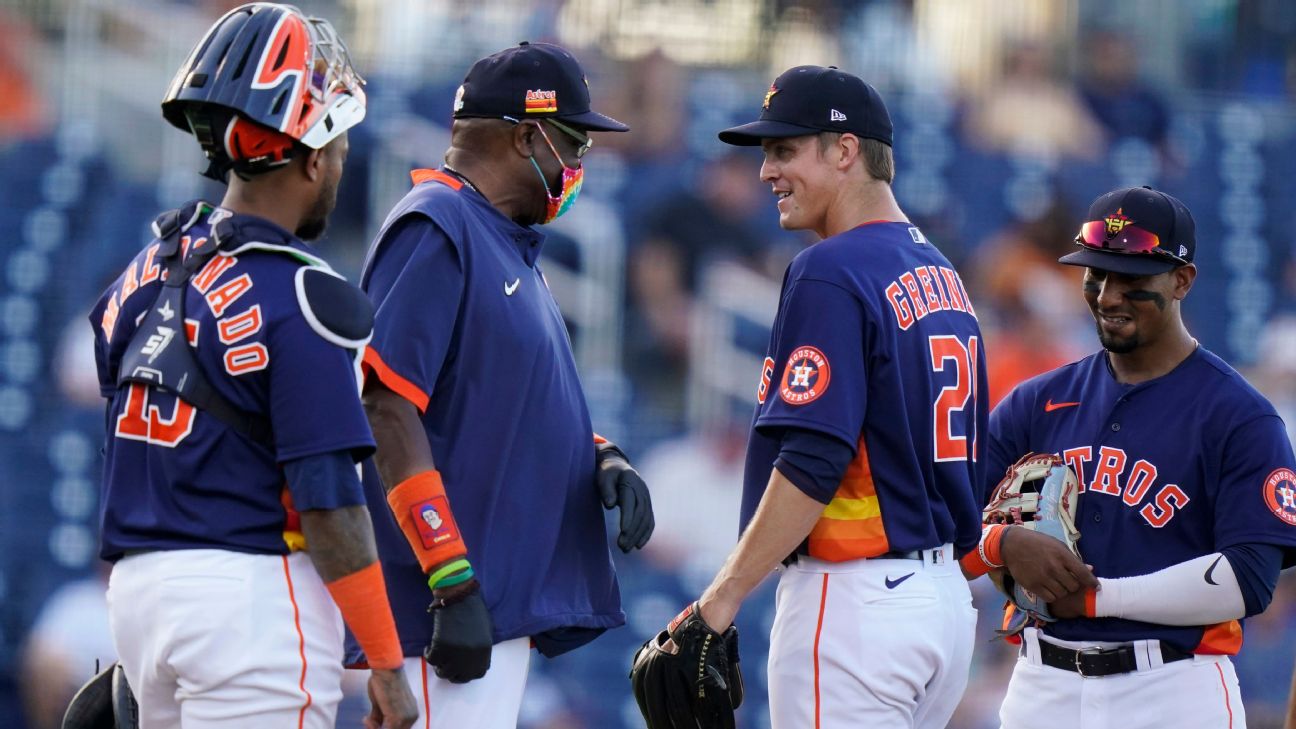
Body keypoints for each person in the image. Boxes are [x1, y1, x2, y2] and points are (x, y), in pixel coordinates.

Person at [86, 4, 417, 727]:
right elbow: (328, 504)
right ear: (310, 156)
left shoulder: (141, 271)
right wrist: (387, 665)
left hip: (138, 603)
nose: (340, 165)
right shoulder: (304, 292)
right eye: (340, 147)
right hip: (249, 602)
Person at [672, 64, 988, 728]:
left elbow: (815, 460)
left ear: (844, 151)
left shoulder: (831, 268)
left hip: (858, 603)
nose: (766, 172)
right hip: (941, 607)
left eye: (785, 150)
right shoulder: (941, 271)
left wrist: (721, 598)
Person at [352, 41, 654, 727]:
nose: (580, 164)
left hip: (489, 605)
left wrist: (598, 455)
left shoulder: (500, 236)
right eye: (574, 143)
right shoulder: (438, 223)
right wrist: (449, 577)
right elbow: (386, 405)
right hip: (448, 606)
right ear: (526, 134)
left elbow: (498, 406)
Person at [981, 186, 1296, 729]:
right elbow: (950, 516)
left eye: (1131, 278)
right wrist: (1002, 541)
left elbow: (1250, 580)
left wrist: (1097, 598)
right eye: (1095, 274)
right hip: (1041, 684)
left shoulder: (1240, 417)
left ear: (1181, 280)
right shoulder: (1036, 403)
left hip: (1172, 687)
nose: (1107, 295)